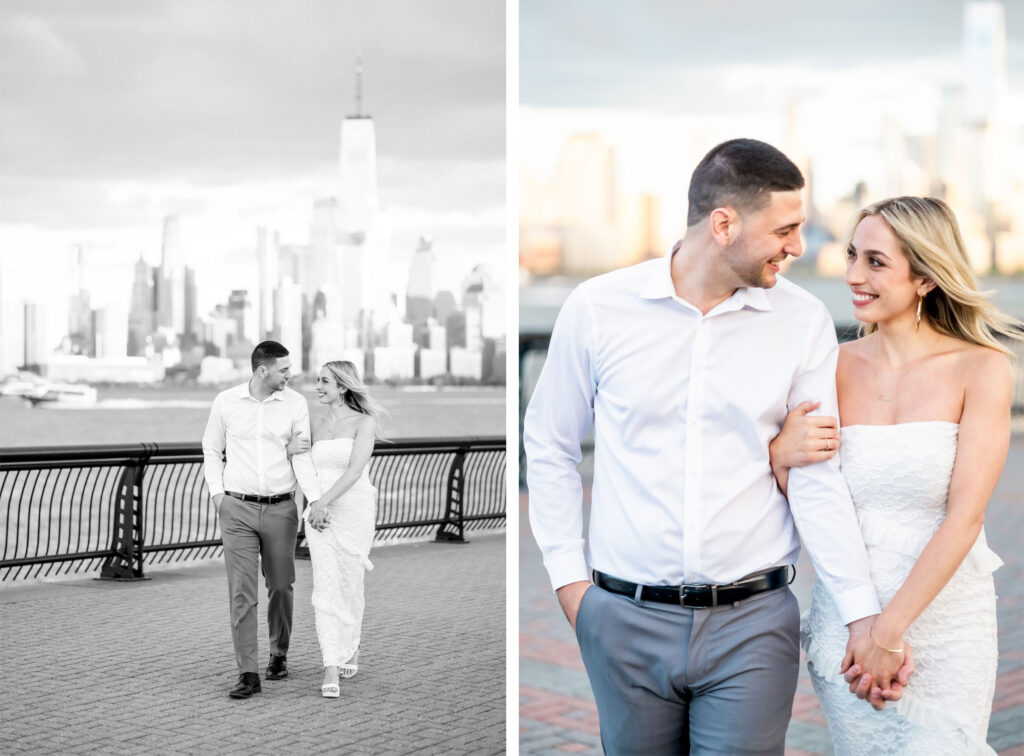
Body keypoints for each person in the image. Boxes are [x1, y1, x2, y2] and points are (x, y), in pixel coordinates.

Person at [524, 138, 911, 754]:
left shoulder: (802, 320)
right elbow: (548, 446)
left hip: (753, 625)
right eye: (785, 229)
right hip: (623, 618)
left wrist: (863, 613)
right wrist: (574, 588)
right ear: (724, 224)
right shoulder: (598, 309)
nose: (797, 246)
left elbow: (815, 474)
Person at [769, 196, 1016, 755]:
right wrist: (782, 455)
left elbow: (965, 516)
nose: (853, 275)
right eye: (853, 255)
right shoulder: (826, 368)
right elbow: (808, 498)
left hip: (944, 625)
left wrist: (888, 633)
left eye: (875, 262)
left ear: (926, 276)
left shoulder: (980, 369)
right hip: (846, 622)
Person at [202, 341, 320, 699]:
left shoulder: (296, 404)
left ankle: (279, 652)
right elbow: (211, 448)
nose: (290, 374)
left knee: (282, 585)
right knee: (242, 592)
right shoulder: (226, 402)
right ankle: (248, 673)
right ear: (261, 370)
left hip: (282, 507)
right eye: (284, 369)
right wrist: (217, 495)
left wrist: (314, 500)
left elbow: (301, 455)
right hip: (235, 508)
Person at [287, 360, 382, 698]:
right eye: (317, 381)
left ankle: (351, 645)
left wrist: (324, 502)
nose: (318, 386)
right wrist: (313, 504)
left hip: (353, 509)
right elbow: (302, 464)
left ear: (343, 386)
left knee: (350, 583)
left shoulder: (364, 422)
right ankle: (330, 665)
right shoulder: (312, 422)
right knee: (326, 585)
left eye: (325, 381)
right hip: (318, 516)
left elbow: (356, 470)